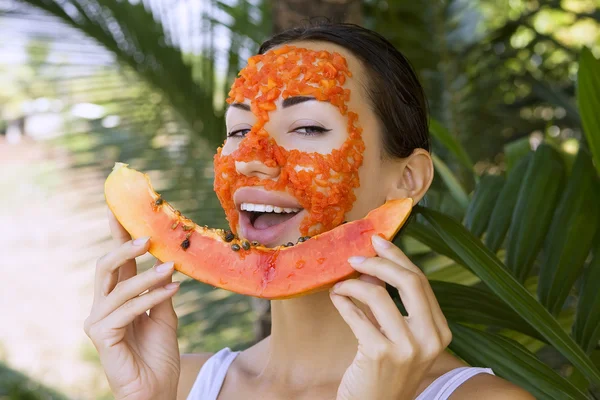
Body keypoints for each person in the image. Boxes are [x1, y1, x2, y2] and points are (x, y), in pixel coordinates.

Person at [84, 22, 535, 400]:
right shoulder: (177, 384)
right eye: (239, 129)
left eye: (308, 127)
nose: (250, 157)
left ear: (408, 179)